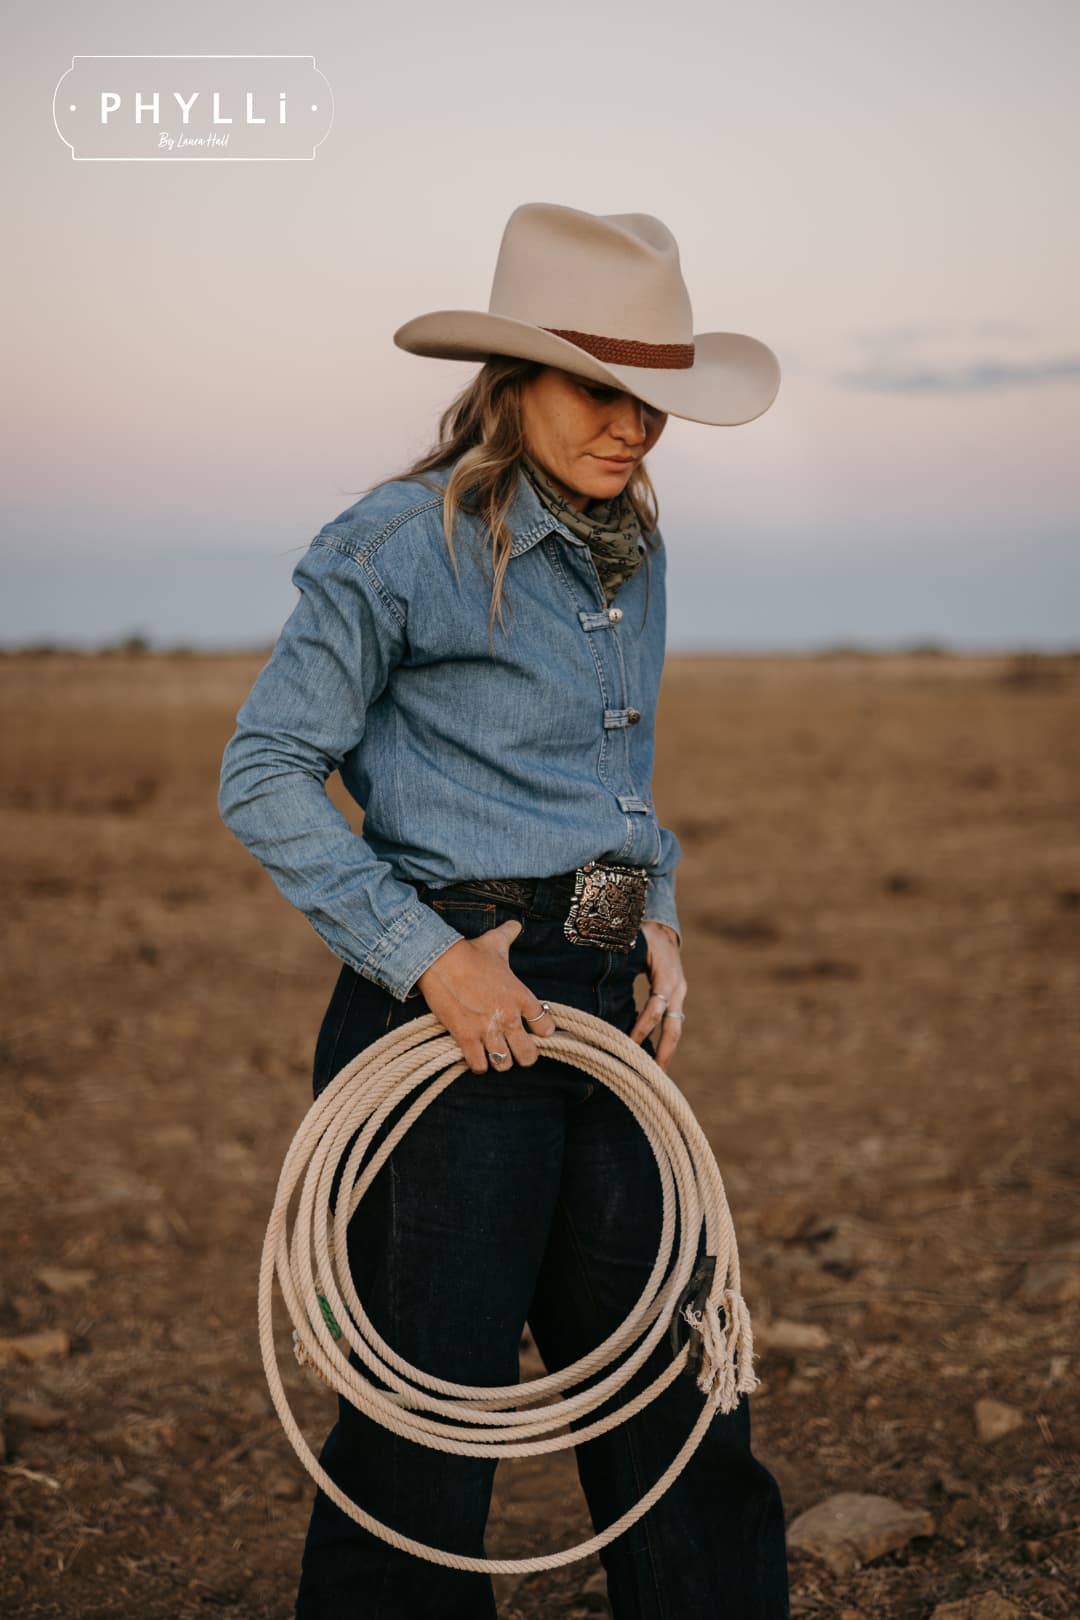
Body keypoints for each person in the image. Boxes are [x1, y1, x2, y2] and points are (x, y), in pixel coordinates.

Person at [218, 201, 790, 1620]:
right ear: (513, 377)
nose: (633, 427)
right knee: (425, 1420)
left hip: (600, 1008)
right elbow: (265, 770)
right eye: (601, 387)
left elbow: (611, 772)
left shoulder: (629, 551)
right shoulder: (397, 542)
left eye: (653, 398)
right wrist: (428, 964)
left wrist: (645, 899)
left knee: (674, 1387)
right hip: (453, 1013)